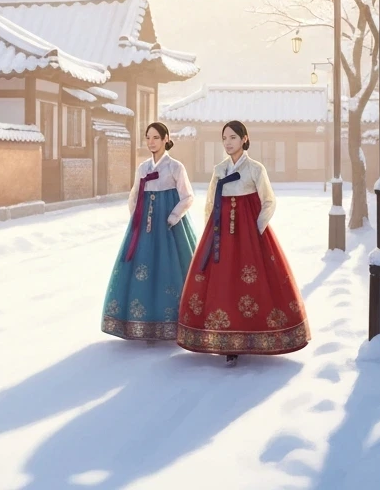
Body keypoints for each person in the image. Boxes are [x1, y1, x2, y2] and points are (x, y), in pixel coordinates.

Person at [176, 120, 310, 365]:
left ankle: (253, 334)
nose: (228, 142)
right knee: (223, 282)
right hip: (221, 235)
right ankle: (225, 339)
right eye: (224, 138)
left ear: (244, 139)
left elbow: (269, 201)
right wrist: (212, 232)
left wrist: (256, 229)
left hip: (250, 236)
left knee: (252, 284)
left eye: (233, 138)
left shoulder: (255, 169)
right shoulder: (219, 170)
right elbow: (210, 204)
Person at [101, 121, 198, 342]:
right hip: (144, 225)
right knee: (142, 270)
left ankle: (173, 324)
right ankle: (143, 323)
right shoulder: (143, 168)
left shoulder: (175, 167)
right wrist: (136, 218)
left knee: (170, 270)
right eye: (148, 137)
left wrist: (173, 217)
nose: (151, 142)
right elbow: (134, 194)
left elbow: (188, 197)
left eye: (156, 137)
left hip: (169, 226)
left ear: (166, 139)